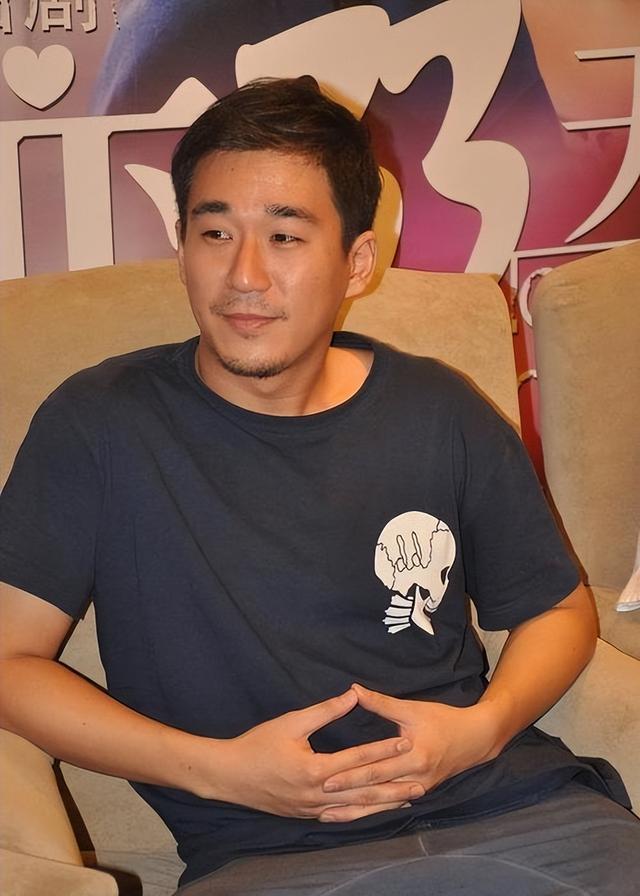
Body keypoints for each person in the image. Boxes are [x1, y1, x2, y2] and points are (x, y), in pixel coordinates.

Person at [0, 77, 637, 895]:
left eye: (286, 237)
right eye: (215, 232)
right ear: (181, 245)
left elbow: (556, 608)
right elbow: (9, 661)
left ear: (357, 262)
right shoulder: (100, 424)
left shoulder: (437, 408)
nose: (245, 276)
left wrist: (482, 730)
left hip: (524, 813)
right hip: (274, 859)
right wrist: (217, 770)